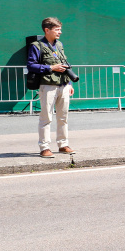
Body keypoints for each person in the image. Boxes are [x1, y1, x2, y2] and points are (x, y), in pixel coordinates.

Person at [27, 17, 75, 158]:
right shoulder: (36, 45)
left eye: (60, 29)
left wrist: (70, 83)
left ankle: (63, 145)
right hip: (47, 86)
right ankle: (44, 147)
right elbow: (31, 65)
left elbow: (65, 63)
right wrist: (51, 67)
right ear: (47, 30)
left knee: (63, 117)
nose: (60, 32)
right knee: (46, 117)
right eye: (57, 29)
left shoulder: (59, 44)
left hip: (64, 85)